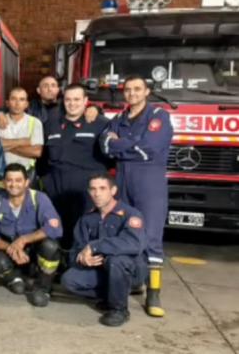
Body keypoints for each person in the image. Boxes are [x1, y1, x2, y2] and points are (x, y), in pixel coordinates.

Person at [101, 75, 173, 318]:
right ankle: (132, 282)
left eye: (137, 89)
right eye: (128, 90)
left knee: (151, 236)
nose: (132, 94)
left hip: (148, 181)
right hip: (122, 179)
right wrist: (130, 145)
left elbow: (149, 149)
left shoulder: (158, 117)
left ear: (147, 92)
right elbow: (105, 146)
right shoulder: (120, 118)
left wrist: (119, 145)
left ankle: (153, 293)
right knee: (123, 231)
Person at [61, 174, 147, 327]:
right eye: (93, 189)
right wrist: (83, 258)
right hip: (101, 271)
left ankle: (119, 310)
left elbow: (133, 244)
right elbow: (75, 251)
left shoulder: (130, 215)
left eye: (102, 188)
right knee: (69, 280)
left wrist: (94, 246)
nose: (97, 193)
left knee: (115, 260)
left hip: (129, 269)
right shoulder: (87, 219)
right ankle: (113, 295)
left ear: (113, 190)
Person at [42, 83, 110, 250]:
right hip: (56, 190)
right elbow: (42, 156)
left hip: (86, 193)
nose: (72, 104)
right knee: (57, 234)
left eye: (77, 99)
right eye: (68, 100)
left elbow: (110, 157)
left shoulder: (100, 123)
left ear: (86, 100)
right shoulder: (51, 123)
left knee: (84, 234)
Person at [0, 163, 62, 307]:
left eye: (18, 180)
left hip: (34, 254)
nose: (13, 184)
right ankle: (14, 279)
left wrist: (24, 239)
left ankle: (44, 287)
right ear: (4, 182)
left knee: (51, 246)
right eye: (9, 180)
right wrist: (11, 247)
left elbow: (54, 228)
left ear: (26, 182)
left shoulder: (39, 198)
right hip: (13, 255)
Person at [0, 87, 43, 181]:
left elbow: (36, 152)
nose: (17, 103)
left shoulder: (35, 122)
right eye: (13, 99)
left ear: (26, 104)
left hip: (27, 174)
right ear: (7, 103)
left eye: (21, 99)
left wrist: (5, 145)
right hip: (1, 173)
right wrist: (24, 141)